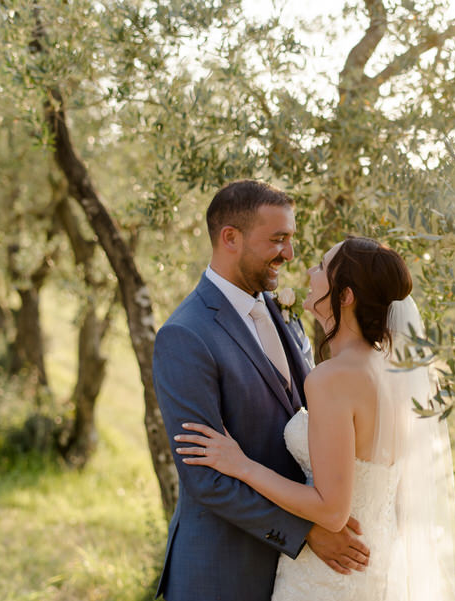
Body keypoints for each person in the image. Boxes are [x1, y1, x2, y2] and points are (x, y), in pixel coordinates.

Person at [175, 236, 455, 601]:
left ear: (345, 296)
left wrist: (241, 465)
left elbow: (330, 510)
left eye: (323, 267)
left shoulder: (334, 378)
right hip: (370, 565)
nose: (310, 271)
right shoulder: (390, 372)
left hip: (326, 576)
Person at [153, 181, 370, 601]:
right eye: (277, 239)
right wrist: (307, 533)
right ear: (230, 238)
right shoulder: (184, 335)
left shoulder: (283, 311)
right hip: (223, 570)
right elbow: (205, 478)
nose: (289, 254)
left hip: (298, 578)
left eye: (290, 239)